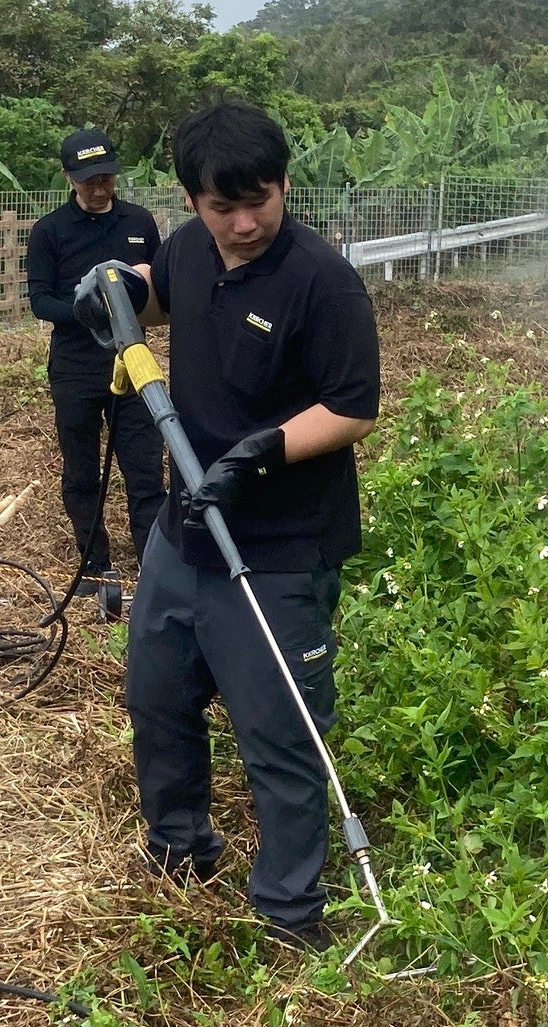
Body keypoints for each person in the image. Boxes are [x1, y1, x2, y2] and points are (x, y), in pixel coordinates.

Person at [119, 99, 379, 948]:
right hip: (181, 535)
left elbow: (351, 408)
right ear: (191, 200)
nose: (242, 222)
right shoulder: (191, 246)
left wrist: (255, 455)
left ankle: (290, 914)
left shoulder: (321, 279)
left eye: (258, 200)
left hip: (275, 549)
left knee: (279, 734)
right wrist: (120, 293)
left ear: (284, 183)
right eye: (220, 206)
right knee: (158, 700)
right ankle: (180, 851)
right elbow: (161, 300)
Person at [23, 128, 167, 607]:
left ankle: (153, 560)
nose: (100, 188)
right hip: (76, 367)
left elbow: (157, 287)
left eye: (106, 177)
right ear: (68, 177)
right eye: (88, 180)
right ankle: (94, 562)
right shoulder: (50, 231)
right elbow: (41, 300)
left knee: (145, 466)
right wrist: (88, 312)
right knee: (81, 468)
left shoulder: (138, 222)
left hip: (134, 360)